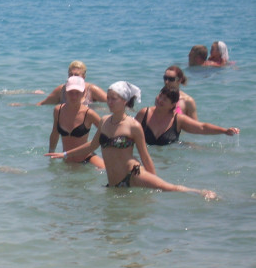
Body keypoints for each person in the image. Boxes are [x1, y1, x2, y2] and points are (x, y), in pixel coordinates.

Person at [46, 81, 216, 199]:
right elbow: (91, 145)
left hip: (133, 175)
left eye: (114, 99)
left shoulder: (133, 125)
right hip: (113, 183)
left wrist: (153, 182)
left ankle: (199, 192)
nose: (109, 101)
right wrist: (65, 154)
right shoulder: (104, 121)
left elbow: (145, 155)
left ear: (125, 101)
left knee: (168, 188)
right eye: (108, 97)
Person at [134, 86, 239, 146]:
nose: (160, 100)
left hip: (169, 160)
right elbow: (129, 131)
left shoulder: (178, 120)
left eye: (165, 99)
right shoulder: (144, 113)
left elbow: (201, 127)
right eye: (160, 96)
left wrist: (224, 131)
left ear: (173, 104)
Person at [47, 76, 104, 168]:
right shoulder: (58, 110)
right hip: (67, 161)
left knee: (105, 170)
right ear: (65, 92)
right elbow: (55, 133)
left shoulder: (89, 113)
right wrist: (51, 155)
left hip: (87, 159)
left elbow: (107, 132)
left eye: (77, 93)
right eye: (70, 92)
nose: (74, 96)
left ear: (84, 93)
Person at [36, 60, 106, 106]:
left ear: (84, 77)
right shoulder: (61, 90)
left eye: (76, 75)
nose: (73, 77)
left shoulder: (91, 90)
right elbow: (42, 104)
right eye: (70, 74)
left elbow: (109, 102)